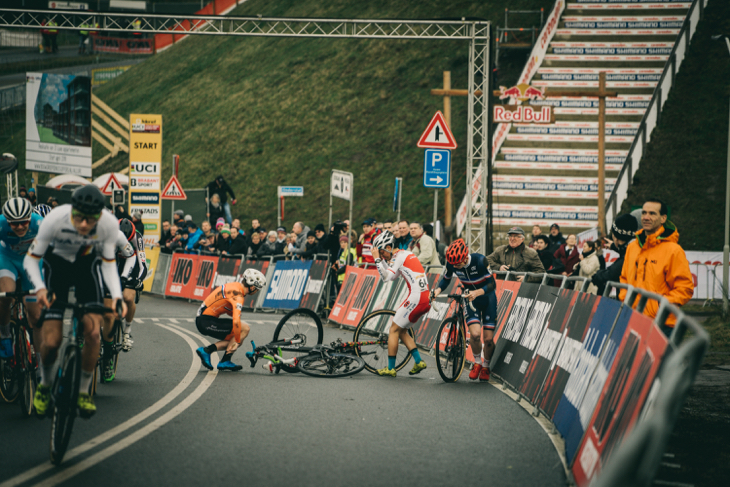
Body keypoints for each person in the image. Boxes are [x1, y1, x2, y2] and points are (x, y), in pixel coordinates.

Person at [25, 185, 127, 418]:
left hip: (86, 268)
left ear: (99, 215)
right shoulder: (54, 219)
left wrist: (117, 296)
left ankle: (83, 391)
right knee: (51, 343)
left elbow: (109, 263)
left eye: (90, 220)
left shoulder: (109, 224)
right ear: (72, 210)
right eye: (79, 218)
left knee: (93, 334)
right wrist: (40, 289)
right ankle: (45, 384)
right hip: (56, 267)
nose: (83, 224)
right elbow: (32, 260)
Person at [619, 199, 694, 336]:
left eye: (652, 214)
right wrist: (626, 301)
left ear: (663, 218)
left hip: (662, 325)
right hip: (633, 319)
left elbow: (685, 288)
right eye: (644, 213)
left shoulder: (674, 250)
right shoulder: (632, 247)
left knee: (661, 359)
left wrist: (660, 307)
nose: (646, 217)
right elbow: (624, 279)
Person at [430, 239, 497, 382]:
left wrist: (477, 292)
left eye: (458, 264)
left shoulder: (480, 260)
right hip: (469, 297)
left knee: (489, 339)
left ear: (466, 257)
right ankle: (477, 363)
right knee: (475, 335)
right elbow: (446, 279)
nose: (456, 266)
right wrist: (437, 290)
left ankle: (486, 365)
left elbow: (492, 284)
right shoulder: (451, 262)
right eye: (453, 264)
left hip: (487, 298)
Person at [371, 232, 430, 377]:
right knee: (402, 330)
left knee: (393, 330)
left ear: (389, 247)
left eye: (382, 251)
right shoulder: (404, 255)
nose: (382, 255)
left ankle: (391, 368)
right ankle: (418, 361)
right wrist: (381, 259)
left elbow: (385, 277)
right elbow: (392, 276)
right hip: (425, 298)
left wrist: (376, 260)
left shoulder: (399, 257)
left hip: (416, 297)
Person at [194, 269, 267, 371]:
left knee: (238, 337)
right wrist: (236, 341)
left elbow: (226, 308)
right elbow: (236, 321)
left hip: (204, 319)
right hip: (206, 321)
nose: (257, 291)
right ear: (252, 287)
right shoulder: (238, 296)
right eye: (257, 289)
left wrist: (237, 340)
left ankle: (211, 353)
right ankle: (216, 356)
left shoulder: (235, 286)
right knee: (244, 330)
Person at [99, 219, 144, 381]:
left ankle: (126, 332)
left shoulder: (136, 238)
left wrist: (135, 280)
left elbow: (142, 263)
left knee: (127, 296)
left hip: (131, 263)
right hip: (112, 263)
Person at [0, 198, 44, 360]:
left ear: (30, 218)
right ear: (7, 221)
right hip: (7, 259)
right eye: (14, 223)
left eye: (24, 222)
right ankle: (5, 334)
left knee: (36, 316)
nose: (19, 227)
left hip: (31, 263)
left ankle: (41, 367)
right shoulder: (0, 224)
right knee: (6, 295)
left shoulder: (40, 224)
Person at [591, 214, 638, 296]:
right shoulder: (637, 247)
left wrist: (598, 275)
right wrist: (615, 247)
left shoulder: (630, 255)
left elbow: (611, 273)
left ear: (616, 237)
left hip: (630, 303)